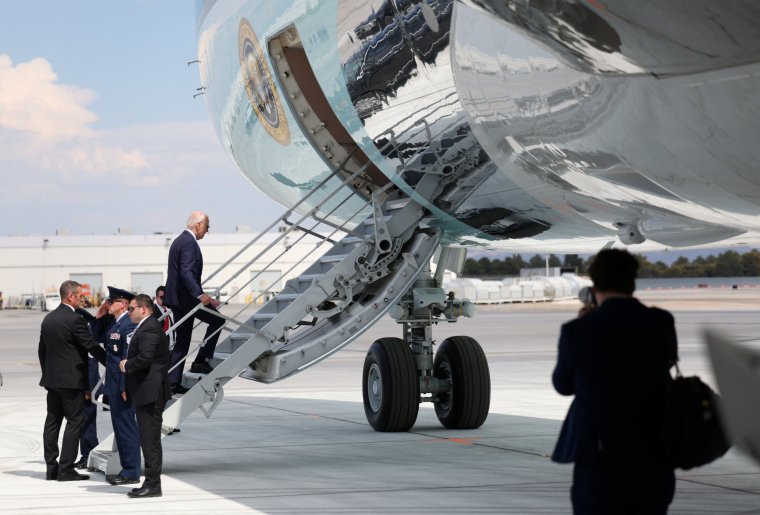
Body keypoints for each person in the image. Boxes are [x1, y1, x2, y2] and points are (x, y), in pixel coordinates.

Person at [551, 249, 678, 514]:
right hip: (654, 454)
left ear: (595, 284)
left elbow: (563, 385)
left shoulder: (577, 331)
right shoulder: (661, 322)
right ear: (632, 281)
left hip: (600, 458)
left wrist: (585, 324)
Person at [38, 280, 107, 481]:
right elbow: (90, 346)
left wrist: (47, 374)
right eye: (79, 296)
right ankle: (66, 469)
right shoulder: (75, 319)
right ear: (70, 296)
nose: (82, 299)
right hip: (71, 381)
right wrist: (111, 362)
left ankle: (52, 468)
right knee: (75, 421)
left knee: (52, 422)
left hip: (52, 381)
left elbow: (42, 351)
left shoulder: (48, 319)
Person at [164, 211, 224, 394]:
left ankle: (172, 381)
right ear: (197, 225)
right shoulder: (189, 243)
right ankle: (200, 361)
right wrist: (199, 294)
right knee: (218, 320)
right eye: (207, 226)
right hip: (186, 300)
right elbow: (186, 272)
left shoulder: (179, 240)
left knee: (182, 341)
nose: (207, 230)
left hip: (178, 299)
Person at [120, 294, 171, 498]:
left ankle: (153, 484)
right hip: (145, 392)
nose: (129, 312)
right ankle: (150, 482)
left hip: (151, 393)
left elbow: (146, 357)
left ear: (144, 309)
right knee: (147, 439)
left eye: (131, 309)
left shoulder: (149, 327)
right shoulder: (145, 326)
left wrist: (127, 365)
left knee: (150, 440)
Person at [99, 286, 141, 486]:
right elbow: (97, 338)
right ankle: (126, 469)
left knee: (126, 429)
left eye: (111, 301)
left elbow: (128, 358)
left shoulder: (128, 325)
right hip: (114, 386)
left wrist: (125, 387)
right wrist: (99, 317)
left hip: (122, 388)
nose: (108, 304)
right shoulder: (116, 325)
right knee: (119, 427)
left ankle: (132, 471)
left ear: (123, 304)